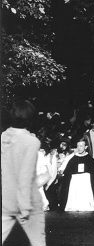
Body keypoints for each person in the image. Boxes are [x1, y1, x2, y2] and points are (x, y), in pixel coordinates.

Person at [2, 100, 46, 245]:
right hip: (28, 203)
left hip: (5, 201)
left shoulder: (3, 138)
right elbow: (25, 175)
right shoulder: (31, 142)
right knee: (38, 242)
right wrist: (25, 207)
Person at [59, 139, 94, 212]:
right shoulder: (73, 158)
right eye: (78, 146)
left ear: (85, 147)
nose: (79, 148)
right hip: (75, 181)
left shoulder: (89, 158)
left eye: (81, 146)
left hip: (85, 181)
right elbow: (67, 171)